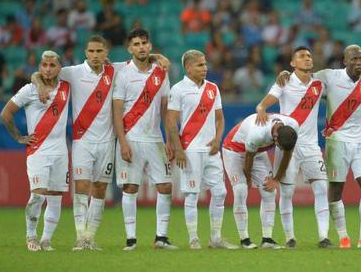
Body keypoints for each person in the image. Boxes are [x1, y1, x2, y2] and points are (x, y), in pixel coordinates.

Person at [31, 35, 170, 250]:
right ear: (85, 53)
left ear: (106, 53)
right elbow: (41, 73)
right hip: (82, 141)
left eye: (99, 51)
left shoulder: (116, 70)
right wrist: (39, 84)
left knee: (99, 189)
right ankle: (80, 237)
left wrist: (156, 56)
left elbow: (140, 58)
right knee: (82, 187)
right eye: (91, 51)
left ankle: (90, 238)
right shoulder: (73, 72)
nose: (95, 55)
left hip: (107, 142)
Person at [255, 46, 331, 248]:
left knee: (322, 188)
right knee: (287, 193)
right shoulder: (284, 81)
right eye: (301, 56)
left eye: (309, 56)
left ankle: (324, 236)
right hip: (288, 145)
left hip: (311, 146)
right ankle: (290, 237)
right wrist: (261, 107)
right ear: (292, 63)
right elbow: (266, 102)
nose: (307, 58)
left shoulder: (319, 85)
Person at [166, 50, 237, 250]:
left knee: (221, 192)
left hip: (212, 150)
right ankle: (193, 239)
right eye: (200, 65)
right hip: (189, 150)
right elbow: (171, 122)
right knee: (192, 194)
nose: (205, 68)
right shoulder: (178, 89)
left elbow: (220, 119)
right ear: (188, 68)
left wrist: (217, 139)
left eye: (205, 64)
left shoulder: (213, 88)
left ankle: (215, 238)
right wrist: (178, 149)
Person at [112, 28, 176, 251]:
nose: (140, 47)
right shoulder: (123, 74)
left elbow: (167, 108)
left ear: (150, 46)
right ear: (129, 48)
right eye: (136, 44)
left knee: (166, 186)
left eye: (144, 43)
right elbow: (117, 110)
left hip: (156, 139)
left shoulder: (161, 73)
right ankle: (131, 239)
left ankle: (161, 237)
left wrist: (170, 139)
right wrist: (123, 142)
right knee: (130, 187)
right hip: (132, 137)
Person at [0, 50, 70, 251]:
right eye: (44, 65)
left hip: (61, 153)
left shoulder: (67, 86)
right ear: (39, 67)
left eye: (52, 65)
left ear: (59, 68)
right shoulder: (29, 89)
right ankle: (31, 236)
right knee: (38, 195)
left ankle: (46, 240)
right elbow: (5, 114)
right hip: (38, 151)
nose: (48, 69)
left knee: (56, 197)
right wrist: (18, 137)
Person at [316, 45, 361, 249]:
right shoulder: (329, 76)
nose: (358, 62)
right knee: (336, 188)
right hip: (336, 142)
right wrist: (285, 74)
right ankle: (343, 237)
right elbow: (303, 77)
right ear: (344, 61)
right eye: (353, 59)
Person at [222, 113, 299, 249]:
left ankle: (267, 239)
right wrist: (248, 178)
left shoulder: (292, 126)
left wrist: (276, 179)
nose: (279, 149)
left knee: (269, 191)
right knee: (240, 190)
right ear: (275, 137)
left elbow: (287, 153)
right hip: (234, 150)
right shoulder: (257, 133)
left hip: (256, 152)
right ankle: (244, 240)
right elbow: (248, 159)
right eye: (279, 146)